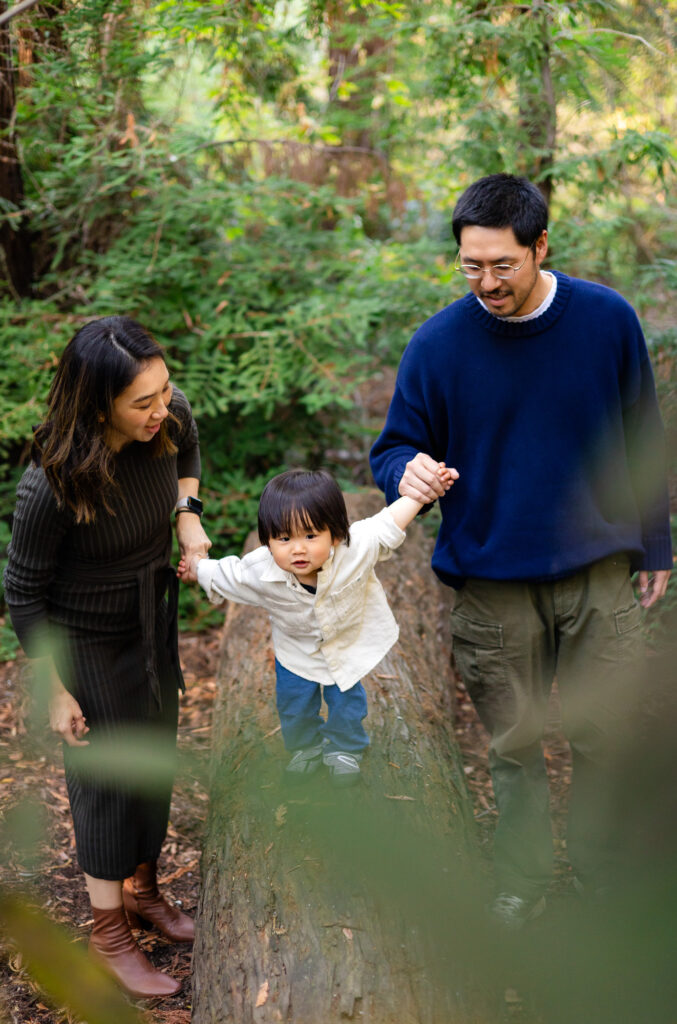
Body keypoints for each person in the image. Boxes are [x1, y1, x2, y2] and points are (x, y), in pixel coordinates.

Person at [369, 173, 672, 927]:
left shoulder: (605, 320)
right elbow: (394, 446)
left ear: (540, 246)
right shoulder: (437, 345)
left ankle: (604, 878)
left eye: (501, 264)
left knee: (606, 735)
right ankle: (523, 879)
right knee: (513, 746)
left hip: (598, 573)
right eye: (470, 266)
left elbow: (642, 439)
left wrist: (656, 547)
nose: (486, 282)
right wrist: (401, 467)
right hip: (490, 581)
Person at [3, 316, 211, 997]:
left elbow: (188, 456)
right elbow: (23, 591)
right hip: (85, 640)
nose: (162, 409)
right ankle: (107, 933)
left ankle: (142, 889)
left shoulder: (168, 413)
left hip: (152, 616)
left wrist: (188, 513)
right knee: (103, 781)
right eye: (142, 402)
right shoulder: (52, 483)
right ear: (98, 406)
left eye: (164, 392)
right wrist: (55, 689)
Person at [178, 466, 456, 786]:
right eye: (284, 538)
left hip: (347, 646)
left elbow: (388, 522)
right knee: (294, 706)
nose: (298, 548)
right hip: (296, 654)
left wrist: (424, 492)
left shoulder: (355, 548)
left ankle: (344, 749)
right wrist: (196, 568)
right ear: (268, 541)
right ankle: (305, 748)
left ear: (335, 534)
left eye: (310, 536)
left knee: (347, 703)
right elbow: (227, 574)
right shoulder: (261, 570)